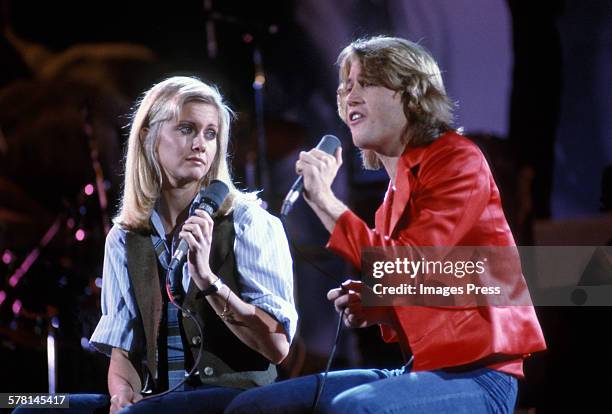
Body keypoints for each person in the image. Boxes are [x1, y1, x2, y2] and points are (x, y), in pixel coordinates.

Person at [225, 36, 546, 413]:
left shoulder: (458, 161)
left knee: (355, 408)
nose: (350, 96)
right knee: (255, 407)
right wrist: (377, 306)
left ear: (411, 93)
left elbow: (411, 263)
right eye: (346, 88)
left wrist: (326, 203)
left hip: (480, 378)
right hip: (421, 371)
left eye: (367, 83)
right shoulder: (392, 197)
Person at [14, 76, 297, 414]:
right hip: (159, 399)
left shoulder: (249, 223)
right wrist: (121, 394)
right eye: (186, 129)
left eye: (210, 133)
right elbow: (124, 354)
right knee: (30, 407)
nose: (200, 144)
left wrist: (209, 282)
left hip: (233, 398)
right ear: (148, 135)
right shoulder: (124, 238)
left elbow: (277, 347)